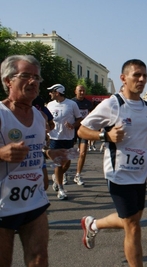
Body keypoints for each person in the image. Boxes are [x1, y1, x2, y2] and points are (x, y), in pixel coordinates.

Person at [78, 59, 147, 267]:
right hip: (119, 173)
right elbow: (82, 130)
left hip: (141, 173)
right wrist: (104, 136)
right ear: (123, 78)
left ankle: (93, 224)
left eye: (144, 75)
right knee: (133, 226)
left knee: (130, 220)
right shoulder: (112, 104)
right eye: (136, 75)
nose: (142, 79)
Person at [0, 55, 69, 266]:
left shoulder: (39, 116)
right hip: (2, 205)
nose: (33, 81)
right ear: (8, 81)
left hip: (34, 200)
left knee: (39, 259)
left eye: (36, 77)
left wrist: (49, 153)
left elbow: (37, 148)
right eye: (26, 76)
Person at [47, 83, 82, 200]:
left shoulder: (72, 104)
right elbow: (46, 120)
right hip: (54, 138)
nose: (49, 94)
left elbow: (79, 119)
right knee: (58, 163)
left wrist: (73, 125)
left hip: (68, 138)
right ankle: (61, 189)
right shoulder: (50, 105)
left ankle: (57, 178)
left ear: (57, 92)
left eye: (51, 91)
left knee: (66, 164)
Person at [71, 84, 93, 186]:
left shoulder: (88, 103)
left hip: (83, 130)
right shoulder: (71, 102)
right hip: (72, 130)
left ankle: (78, 175)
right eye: (80, 91)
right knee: (68, 153)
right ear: (75, 91)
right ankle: (63, 173)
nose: (82, 93)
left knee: (83, 153)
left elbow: (91, 114)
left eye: (84, 91)